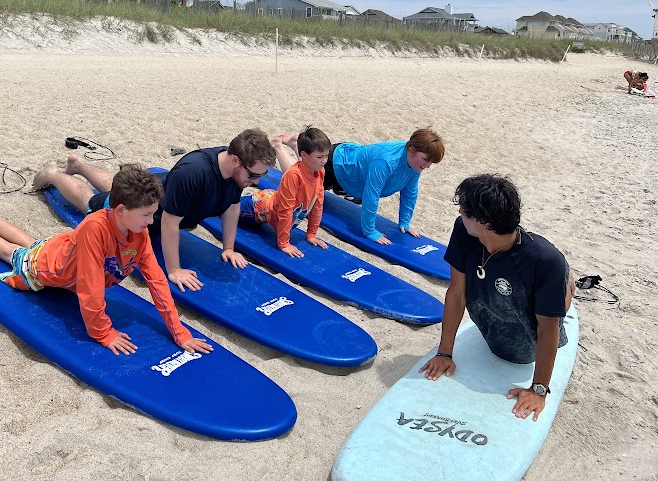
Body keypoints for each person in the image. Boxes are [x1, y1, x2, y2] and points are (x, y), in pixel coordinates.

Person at [0, 164, 212, 356]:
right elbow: (89, 287)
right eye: (146, 214)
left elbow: (156, 279)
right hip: (47, 267)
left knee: (31, 244)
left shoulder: (138, 231)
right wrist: (104, 333)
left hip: (58, 249)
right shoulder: (95, 228)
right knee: (12, 253)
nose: (151, 221)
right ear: (121, 210)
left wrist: (178, 331)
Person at [33, 129, 277, 292]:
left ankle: (79, 165)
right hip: (149, 212)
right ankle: (53, 174)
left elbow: (232, 206)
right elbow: (170, 223)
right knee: (92, 201)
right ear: (235, 160)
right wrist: (174, 270)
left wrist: (229, 248)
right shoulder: (194, 172)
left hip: (158, 190)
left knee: (119, 185)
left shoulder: (236, 173)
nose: (255, 181)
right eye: (253, 175)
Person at [418, 174, 575, 422]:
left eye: (466, 210)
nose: (460, 211)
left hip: (527, 346)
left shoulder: (544, 260)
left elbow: (548, 330)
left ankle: (567, 285)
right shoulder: (464, 230)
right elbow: (457, 292)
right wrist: (445, 353)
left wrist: (539, 390)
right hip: (491, 318)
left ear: (486, 222)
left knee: (556, 280)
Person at [311, 128, 445, 244]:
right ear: (411, 149)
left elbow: (410, 193)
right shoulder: (386, 161)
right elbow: (371, 195)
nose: (427, 166)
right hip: (336, 165)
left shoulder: (415, 165)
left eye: (431, 162)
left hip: (352, 175)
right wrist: (370, 231)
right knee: (301, 184)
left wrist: (405, 222)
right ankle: (296, 147)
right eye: (426, 160)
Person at [239, 127, 331, 257]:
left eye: (326, 156)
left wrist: (311, 234)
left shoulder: (320, 171)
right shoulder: (293, 175)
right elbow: (285, 210)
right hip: (259, 208)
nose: (324, 160)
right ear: (303, 155)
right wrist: (284, 243)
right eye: (320, 157)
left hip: (272, 200)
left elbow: (317, 204)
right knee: (225, 206)